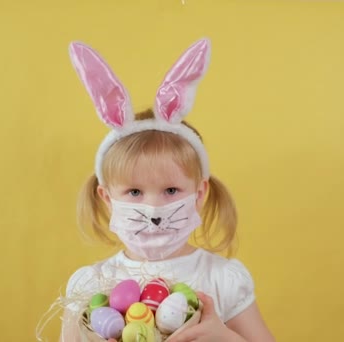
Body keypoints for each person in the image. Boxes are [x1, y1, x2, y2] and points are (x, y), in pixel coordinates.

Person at [59, 38, 275, 341]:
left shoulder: (222, 279)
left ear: (199, 194)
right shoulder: (90, 286)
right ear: (107, 198)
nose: (154, 209)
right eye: (134, 192)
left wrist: (223, 336)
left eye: (171, 190)